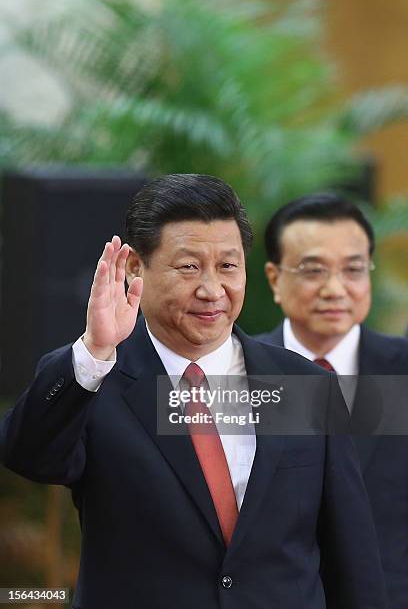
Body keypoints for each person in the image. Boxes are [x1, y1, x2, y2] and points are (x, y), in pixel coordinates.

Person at [0, 175, 387, 609]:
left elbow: (351, 555)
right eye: (188, 267)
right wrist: (94, 351)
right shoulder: (96, 379)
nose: (211, 290)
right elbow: (28, 456)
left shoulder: (301, 384)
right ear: (134, 269)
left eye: (227, 266)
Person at [257, 191, 408, 609]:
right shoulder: (237, 375)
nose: (335, 289)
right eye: (314, 270)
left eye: (353, 270)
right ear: (274, 278)